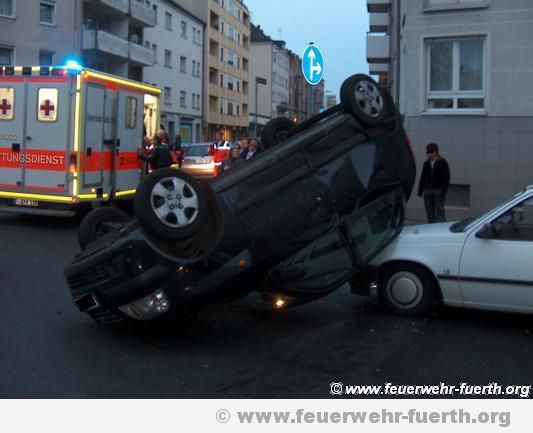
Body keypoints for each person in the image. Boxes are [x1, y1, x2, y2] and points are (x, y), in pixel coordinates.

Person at [417, 142, 450, 223]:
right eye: (427, 151)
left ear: (435, 152)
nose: (427, 153)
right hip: (427, 189)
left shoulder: (442, 162)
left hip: (438, 190)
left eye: (429, 151)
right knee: (429, 210)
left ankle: (441, 227)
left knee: (439, 210)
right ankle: (430, 225)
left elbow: (446, 177)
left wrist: (444, 191)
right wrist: (420, 191)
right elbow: (423, 177)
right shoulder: (426, 163)